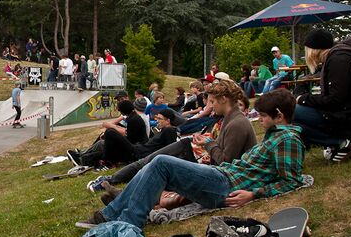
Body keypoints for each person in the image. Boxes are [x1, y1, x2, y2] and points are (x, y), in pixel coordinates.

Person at [79, 89, 302, 230]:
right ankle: (114, 213)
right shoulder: (274, 137)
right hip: (223, 176)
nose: (259, 120)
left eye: (263, 116)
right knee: (157, 164)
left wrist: (255, 194)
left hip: (225, 184)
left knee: (160, 163)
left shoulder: (287, 140)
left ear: (279, 115)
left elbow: (292, 181)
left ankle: (127, 221)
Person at [90, 79, 257, 197]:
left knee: (156, 163)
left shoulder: (236, 124)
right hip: (203, 160)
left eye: (213, 101)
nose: (211, 105)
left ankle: (119, 188)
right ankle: (122, 189)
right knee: (152, 163)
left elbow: (225, 162)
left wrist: (208, 144)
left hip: (215, 172)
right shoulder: (229, 120)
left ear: (224, 99)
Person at [293, 28, 351, 162]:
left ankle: (341, 143)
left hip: (349, 118)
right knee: (292, 119)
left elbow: (335, 100)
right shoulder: (341, 56)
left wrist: (302, 99)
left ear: (313, 49)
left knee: (290, 112)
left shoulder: (339, 60)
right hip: (348, 113)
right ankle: (337, 144)